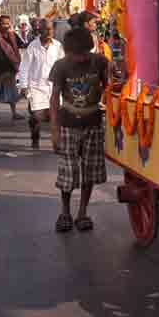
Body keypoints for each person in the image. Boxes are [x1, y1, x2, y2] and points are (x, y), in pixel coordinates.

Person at [49, 26, 109, 233]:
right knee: (68, 172)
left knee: (90, 171)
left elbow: (110, 89)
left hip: (93, 123)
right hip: (67, 124)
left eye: (85, 53)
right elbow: (54, 98)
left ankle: (82, 212)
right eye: (77, 54)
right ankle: (65, 211)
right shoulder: (60, 67)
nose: (82, 58)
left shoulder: (100, 62)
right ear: (68, 52)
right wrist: (54, 130)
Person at [17, 18, 64, 149]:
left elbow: (62, 65)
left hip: (54, 87)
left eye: (51, 29)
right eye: (46, 29)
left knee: (56, 117)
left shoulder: (58, 46)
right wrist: (24, 86)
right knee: (37, 117)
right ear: (40, 31)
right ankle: (35, 137)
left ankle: (56, 144)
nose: (49, 32)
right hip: (36, 87)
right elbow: (24, 67)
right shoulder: (33, 46)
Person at [0, 14, 23, 122]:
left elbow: (21, 46)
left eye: (7, 23)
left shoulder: (13, 35)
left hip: (10, 68)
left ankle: (14, 113)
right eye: (3, 23)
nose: (6, 25)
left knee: (12, 90)